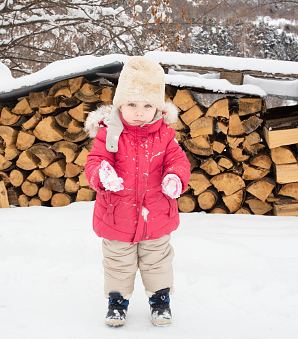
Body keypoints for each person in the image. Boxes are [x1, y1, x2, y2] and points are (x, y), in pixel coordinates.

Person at [84, 56, 191, 327]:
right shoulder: (109, 134)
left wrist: (175, 178)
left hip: (156, 215)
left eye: (147, 105)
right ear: (120, 103)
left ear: (157, 107)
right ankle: (117, 302)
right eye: (132, 104)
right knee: (118, 260)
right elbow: (96, 161)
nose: (139, 111)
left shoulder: (165, 135)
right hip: (116, 214)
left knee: (157, 260)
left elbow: (179, 162)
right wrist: (102, 175)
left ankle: (160, 300)